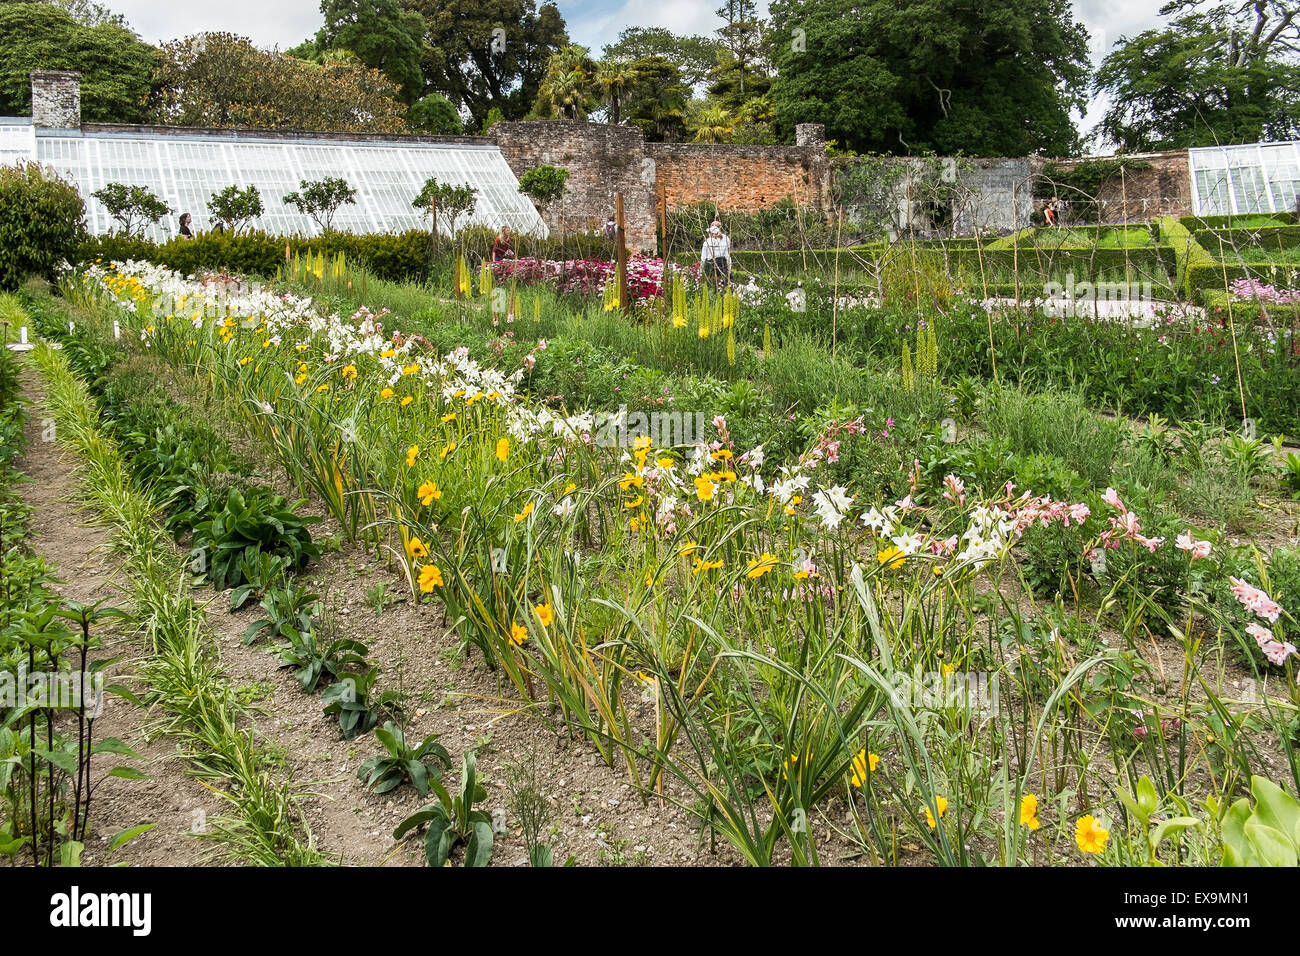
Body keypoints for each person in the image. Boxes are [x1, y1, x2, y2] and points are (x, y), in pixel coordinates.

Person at [699, 220, 731, 288]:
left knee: (711, 286)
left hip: (710, 265)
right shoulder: (726, 238)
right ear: (720, 228)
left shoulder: (707, 242)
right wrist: (729, 268)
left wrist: (701, 271)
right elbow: (727, 255)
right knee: (723, 286)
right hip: (722, 265)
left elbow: (703, 258)